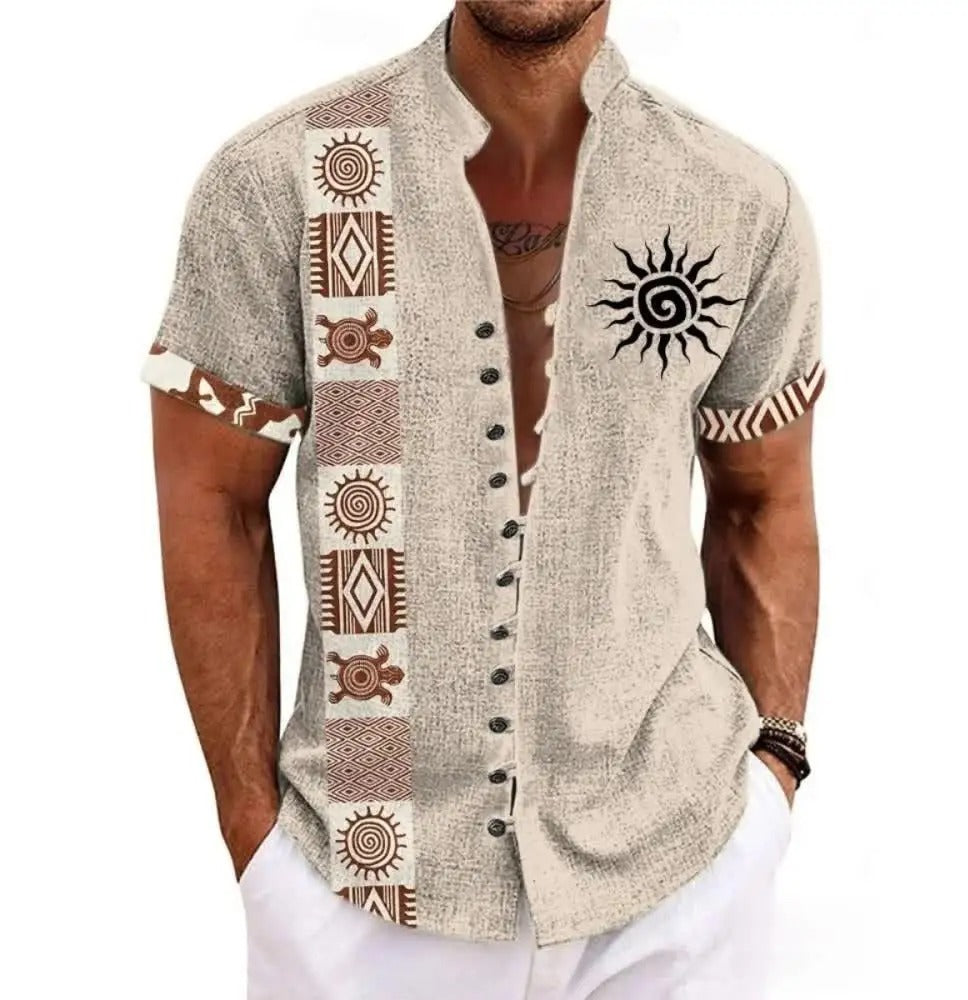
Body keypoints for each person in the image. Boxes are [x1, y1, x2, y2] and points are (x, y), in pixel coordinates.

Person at [144, 2, 823, 997]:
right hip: (360, 893)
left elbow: (765, 500)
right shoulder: (277, 182)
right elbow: (214, 499)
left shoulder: (737, 203)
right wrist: (254, 840)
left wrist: (775, 776)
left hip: (678, 878)